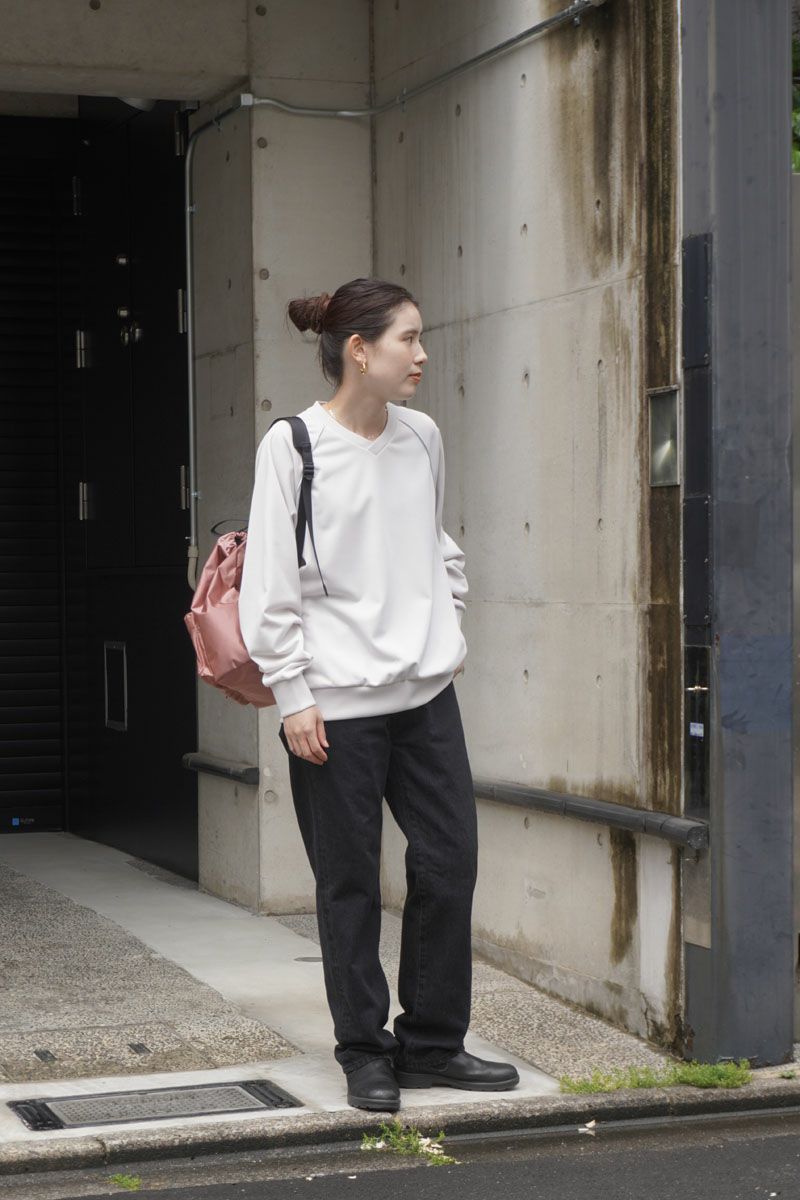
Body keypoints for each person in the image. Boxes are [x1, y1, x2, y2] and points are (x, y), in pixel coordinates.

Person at [239, 277, 519, 1112]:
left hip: (424, 698)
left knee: (449, 864)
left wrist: (445, 621)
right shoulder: (293, 445)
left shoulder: (422, 436)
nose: (422, 355)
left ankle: (432, 1043)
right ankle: (364, 1050)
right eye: (409, 339)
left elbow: (434, 542)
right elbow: (269, 581)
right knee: (349, 883)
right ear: (360, 351)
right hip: (334, 706)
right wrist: (293, 692)